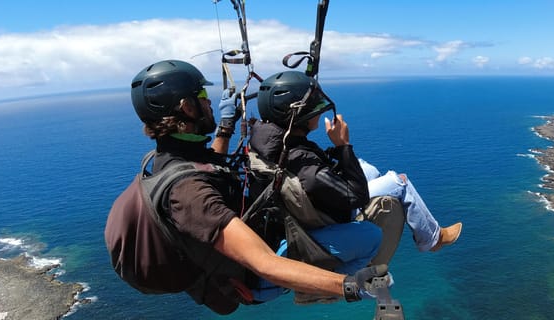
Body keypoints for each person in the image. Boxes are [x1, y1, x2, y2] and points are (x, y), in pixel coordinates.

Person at [111, 59, 387, 314]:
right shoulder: (189, 195)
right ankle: (314, 293)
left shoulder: (170, 158)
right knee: (371, 237)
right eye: (204, 98)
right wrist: (349, 285)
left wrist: (227, 126)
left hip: (256, 243)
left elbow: (211, 165)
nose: (210, 105)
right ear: (187, 107)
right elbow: (264, 263)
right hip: (253, 280)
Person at [250, 71, 463, 254]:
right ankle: (433, 239)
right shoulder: (303, 163)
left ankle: (392, 201)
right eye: (313, 108)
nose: (318, 111)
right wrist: (343, 145)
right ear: (297, 116)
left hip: (313, 199)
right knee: (400, 182)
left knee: (367, 168)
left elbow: (309, 165)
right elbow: (356, 196)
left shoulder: (273, 141)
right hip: (329, 214)